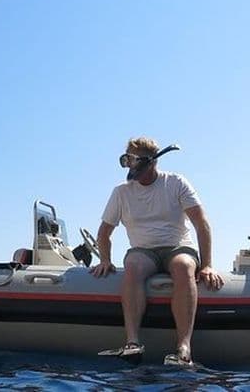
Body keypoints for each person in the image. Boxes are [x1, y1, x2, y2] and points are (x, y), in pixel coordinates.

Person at [91, 137, 223, 366]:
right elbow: (104, 232)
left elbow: (201, 224)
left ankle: (183, 348)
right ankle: (132, 343)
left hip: (178, 246)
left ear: (152, 162)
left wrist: (208, 264)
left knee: (183, 266)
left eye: (135, 161)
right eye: (127, 161)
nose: (131, 167)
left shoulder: (176, 182)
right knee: (133, 266)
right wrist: (105, 259)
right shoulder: (121, 192)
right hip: (143, 251)